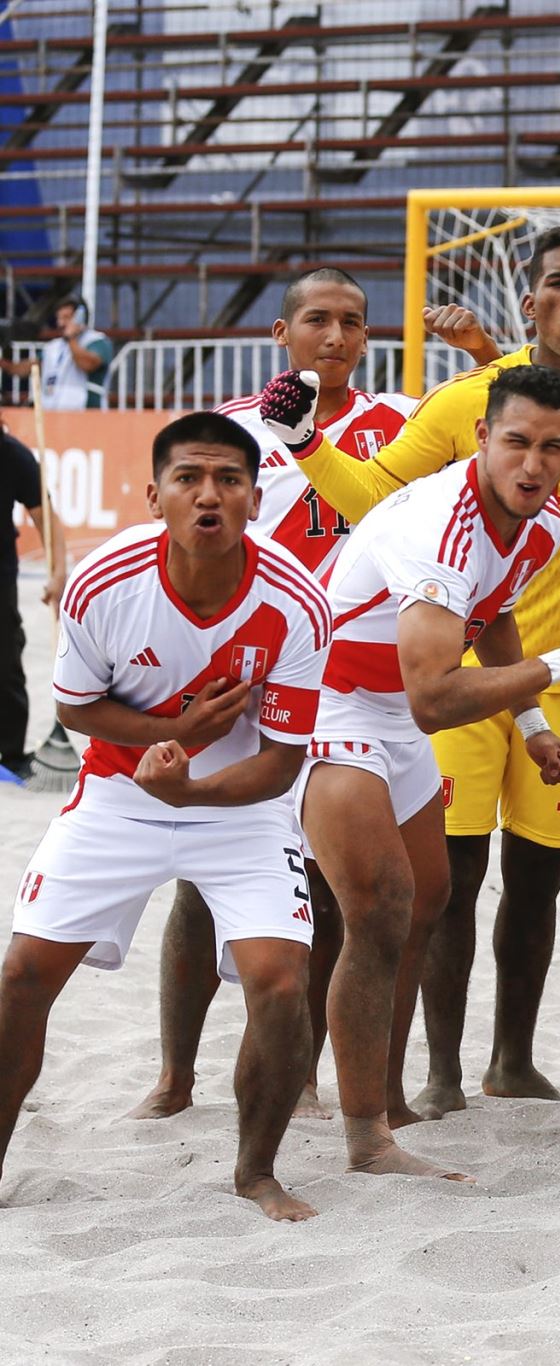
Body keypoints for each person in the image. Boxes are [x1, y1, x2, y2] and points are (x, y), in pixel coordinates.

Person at [265, 229, 560, 1117]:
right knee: (435, 886)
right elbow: (374, 499)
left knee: (537, 880)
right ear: (531, 301)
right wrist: (310, 442)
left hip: (558, 692)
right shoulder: (463, 404)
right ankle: (424, 1080)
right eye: (559, 282)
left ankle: (508, 1061)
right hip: (434, 679)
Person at [275, 363, 560, 1179]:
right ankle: (362, 1138)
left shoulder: (543, 522)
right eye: (517, 443)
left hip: (391, 711)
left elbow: (491, 620)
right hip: (328, 698)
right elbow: (432, 697)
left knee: (425, 899)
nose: (533, 463)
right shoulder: (442, 522)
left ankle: (380, 1100)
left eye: (552, 448)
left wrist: (530, 725)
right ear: (482, 439)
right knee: (378, 908)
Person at [0, 412, 330, 1220]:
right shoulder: (102, 583)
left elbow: (283, 763)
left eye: (228, 480)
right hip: (116, 795)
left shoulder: (297, 603)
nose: (207, 496)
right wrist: (174, 737)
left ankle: (256, 1173)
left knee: (282, 984)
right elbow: (79, 711)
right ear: (155, 496)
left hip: (241, 806)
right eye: (188, 479)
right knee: (21, 978)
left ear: (256, 499)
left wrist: (193, 788)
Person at [132, 267, 421, 1124]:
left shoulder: (397, 427)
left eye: (354, 324)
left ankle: (299, 1075)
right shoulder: (230, 434)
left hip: (346, 684)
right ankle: (174, 1077)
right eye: (319, 321)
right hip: (241, 675)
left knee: (330, 889)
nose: (336, 338)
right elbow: (178, 547)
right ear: (281, 335)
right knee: (199, 880)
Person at [0, 422, 66, 781]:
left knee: (5, 659)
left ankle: (10, 755)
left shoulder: (14, 456)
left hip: (0, 573)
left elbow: (47, 520)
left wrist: (58, 574)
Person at [1, 298, 114, 410]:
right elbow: (29, 367)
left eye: (66, 318)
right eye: (58, 318)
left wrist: (71, 337)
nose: (60, 323)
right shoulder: (53, 346)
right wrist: (5, 364)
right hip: (53, 414)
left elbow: (87, 364)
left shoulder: (96, 341)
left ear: (80, 318)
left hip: (85, 413)